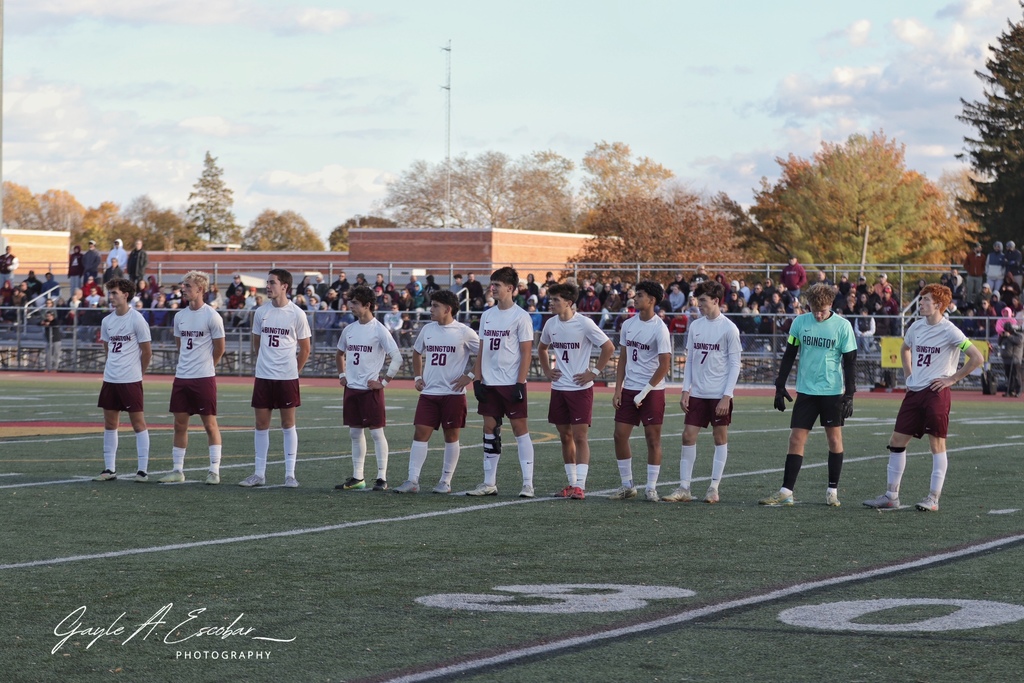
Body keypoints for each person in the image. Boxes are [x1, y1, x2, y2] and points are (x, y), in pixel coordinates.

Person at [863, 285, 985, 512]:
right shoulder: (916, 327)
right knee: (897, 441)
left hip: (936, 393)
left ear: (938, 304)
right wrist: (909, 375)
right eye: (921, 300)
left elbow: (976, 358)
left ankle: (933, 498)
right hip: (914, 392)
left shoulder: (950, 330)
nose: (921, 303)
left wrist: (952, 380)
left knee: (936, 443)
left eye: (925, 300)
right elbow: (905, 349)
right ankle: (891, 496)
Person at [759, 283, 857, 507]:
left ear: (830, 305)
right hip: (806, 391)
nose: (818, 314)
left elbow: (850, 363)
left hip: (832, 392)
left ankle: (832, 490)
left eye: (822, 310)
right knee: (796, 438)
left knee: (834, 439)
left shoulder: (842, 327)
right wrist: (780, 385)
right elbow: (790, 353)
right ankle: (786, 491)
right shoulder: (800, 323)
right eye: (814, 309)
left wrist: (850, 394)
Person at [394, 290, 480, 494]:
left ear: (447, 309)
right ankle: (412, 480)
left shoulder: (464, 332)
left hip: (453, 394)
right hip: (429, 393)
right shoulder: (427, 330)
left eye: (435, 306)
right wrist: (417, 377)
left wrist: (470, 375)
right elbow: (416, 352)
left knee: (451, 437)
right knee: (420, 433)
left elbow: (485, 354)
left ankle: (445, 481)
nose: (430, 310)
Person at [664, 280, 741, 504]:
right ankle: (684, 488)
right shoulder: (695, 326)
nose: (699, 305)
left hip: (719, 394)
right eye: (698, 300)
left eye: (704, 301)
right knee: (687, 436)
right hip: (697, 392)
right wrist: (685, 389)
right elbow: (690, 361)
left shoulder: (729, 328)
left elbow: (735, 364)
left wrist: (727, 395)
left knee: (720, 437)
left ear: (716, 301)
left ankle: (713, 487)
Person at [537, 282, 615, 500]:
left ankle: (580, 485)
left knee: (580, 436)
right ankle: (571, 484)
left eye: (556, 300)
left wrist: (594, 372)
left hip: (580, 388)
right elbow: (542, 347)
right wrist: (546, 370)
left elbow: (609, 347)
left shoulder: (585, 324)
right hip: (559, 388)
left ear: (569, 302)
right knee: (565, 436)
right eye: (551, 299)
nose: (551, 303)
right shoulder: (551, 324)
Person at [466, 266, 536, 498]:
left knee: (520, 429)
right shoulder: (487, 315)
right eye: (492, 284)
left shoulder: (521, 317)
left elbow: (526, 352)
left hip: (511, 382)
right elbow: (482, 349)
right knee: (489, 428)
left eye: (497, 285)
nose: (492, 288)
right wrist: (477, 379)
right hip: (489, 382)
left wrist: (520, 382)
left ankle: (527, 484)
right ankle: (489, 483)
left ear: (510, 289)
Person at [239, 269, 311, 488]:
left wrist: (293, 371)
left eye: (272, 282)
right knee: (261, 424)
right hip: (263, 376)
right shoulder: (261, 312)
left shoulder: (297, 313)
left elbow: (305, 349)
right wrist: (266, 364)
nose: (268, 286)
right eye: (267, 282)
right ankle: (259, 474)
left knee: (288, 424)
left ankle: (290, 474)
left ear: (284, 287)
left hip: (287, 378)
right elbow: (256, 344)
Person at [158, 271, 226, 485]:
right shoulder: (180, 316)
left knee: (209, 424)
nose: (184, 289)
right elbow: (180, 346)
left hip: (203, 377)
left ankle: (214, 470)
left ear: (200, 289)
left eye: (188, 286)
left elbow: (220, 348)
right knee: (179, 424)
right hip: (182, 376)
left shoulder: (212, 316)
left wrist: (207, 366)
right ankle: (178, 470)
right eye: (183, 285)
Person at [610, 280, 673, 502]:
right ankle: (627, 485)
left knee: (652, 437)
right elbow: (623, 358)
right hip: (630, 389)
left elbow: (664, 365)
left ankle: (651, 487)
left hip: (652, 391)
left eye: (640, 295)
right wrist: (618, 389)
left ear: (652, 300)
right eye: (635, 295)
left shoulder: (660, 328)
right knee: (619, 435)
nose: (634, 298)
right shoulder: (628, 325)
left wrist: (645, 391)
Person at [334, 285, 401, 491]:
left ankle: (381, 478)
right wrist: (342, 375)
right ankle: (358, 477)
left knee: (376, 433)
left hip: (370, 391)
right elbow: (339, 353)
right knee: (355, 434)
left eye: (354, 303)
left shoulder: (379, 330)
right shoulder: (349, 329)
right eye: (350, 302)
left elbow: (397, 357)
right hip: (352, 389)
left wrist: (383, 382)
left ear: (367, 305)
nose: (350, 306)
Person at [93, 278, 153, 483]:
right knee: (110, 424)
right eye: (110, 293)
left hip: (130, 380)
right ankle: (109, 469)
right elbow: (107, 349)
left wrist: (138, 372)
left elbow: (147, 352)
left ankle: (142, 470)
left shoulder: (137, 319)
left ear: (125, 295)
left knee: (138, 423)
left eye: (114, 293)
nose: (111, 297)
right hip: (111, 379)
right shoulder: (107, 321)